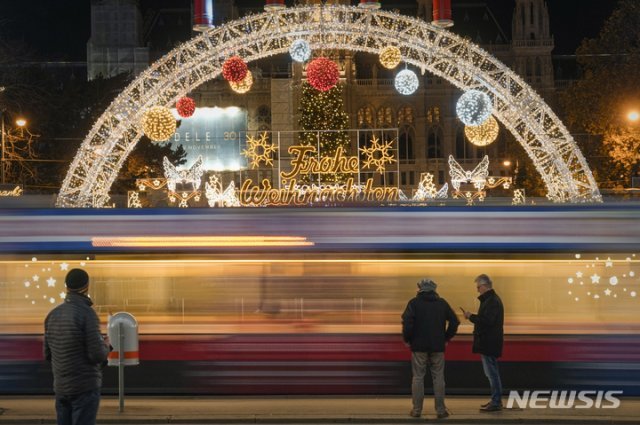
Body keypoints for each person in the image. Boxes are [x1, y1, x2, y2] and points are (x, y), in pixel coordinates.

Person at [44, 269, 111, 425]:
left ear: (66, 286)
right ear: (87, 286)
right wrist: (106, 345)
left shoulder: (52, 315)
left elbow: (47, 354)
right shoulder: (87, 314)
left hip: (61, 388)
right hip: (84, 387)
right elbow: (97, 355)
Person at [402, 278, 459, 419]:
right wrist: (446, 338)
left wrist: (408, 339)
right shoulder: (442, 303)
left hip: (418, 347)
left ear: (420, 289)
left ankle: (416, 410)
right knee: (438, 377)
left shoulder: (413, 303)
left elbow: (407, 323)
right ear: (434, 289)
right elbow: (454, 321)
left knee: (418, 378)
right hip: (437, 347)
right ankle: (441, 410)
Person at [462, 274, 504, 412]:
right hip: (488, 342)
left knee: (492, 374)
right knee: (492, 373)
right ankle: (495, 400)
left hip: (489, 342)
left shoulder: (492, 301)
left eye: (478, 287)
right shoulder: (490, 300)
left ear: (485, 286)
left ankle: (496, 402)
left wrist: (471, 317)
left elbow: (487, 322)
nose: (477, 289)